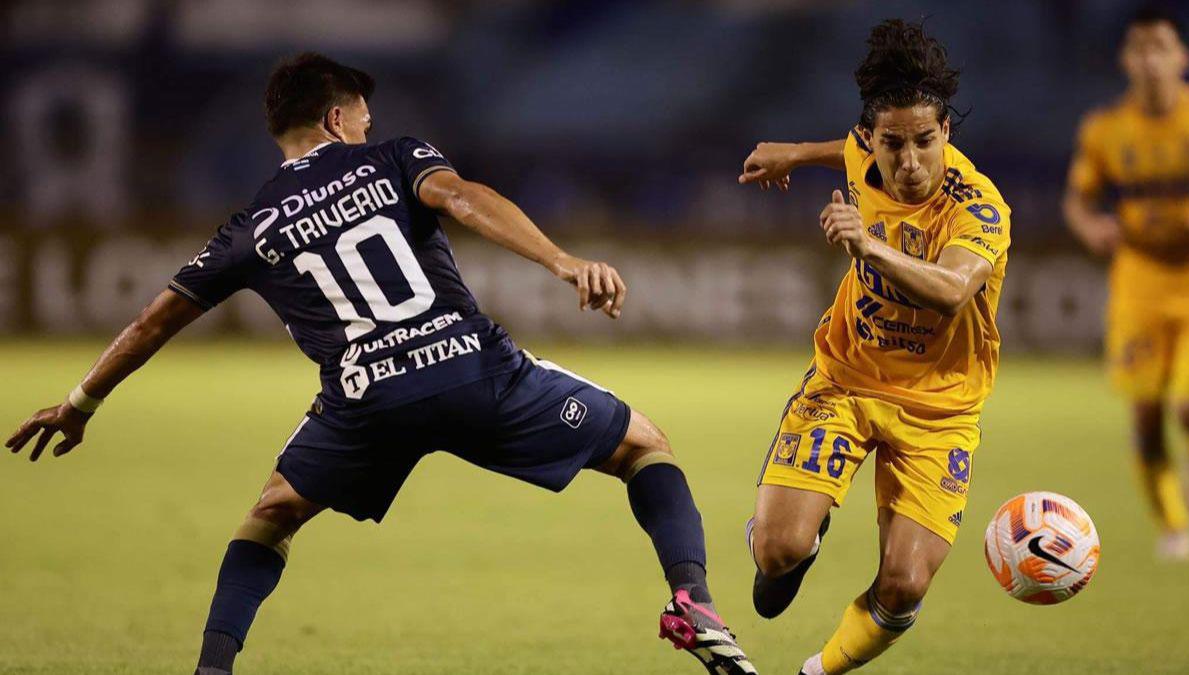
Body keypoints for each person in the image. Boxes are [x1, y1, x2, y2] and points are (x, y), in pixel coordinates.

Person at [5, 53, 756, 675]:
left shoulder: (253, 226)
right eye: (363, 112)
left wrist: (80, 401)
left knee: (271, 514)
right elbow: (463, 198)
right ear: (337, 117)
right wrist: (562, 262)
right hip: (474, 373)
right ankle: (691, 600)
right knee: (643, 444)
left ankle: (212, 669)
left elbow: (153, 319)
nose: (371, 125)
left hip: (365, 403)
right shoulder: (396, 159)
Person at [737, 19, 1011, 674]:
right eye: (893, 144)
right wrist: (796, 152)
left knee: (906, 581)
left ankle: (816, 671)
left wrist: (869, 246)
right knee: (778, 552)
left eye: (924, 140)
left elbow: (949, 289)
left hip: (938, 411)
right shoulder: (867, 152)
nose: (909, 161)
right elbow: (849, 152)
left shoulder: (979, 207)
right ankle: (792, 538)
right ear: (874, 138)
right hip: (847, 378)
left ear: (946, 131)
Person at [1063, 6, 1189, 561]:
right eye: (1139, 49)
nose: (1149, 60)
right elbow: (1077, 199)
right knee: (1145, 417)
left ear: (1182, 58)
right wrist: (1090, 225)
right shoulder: (1105, 130)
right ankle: (1172, 524)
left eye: (1159, 48)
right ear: (1125, 60)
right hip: (1138, 282)